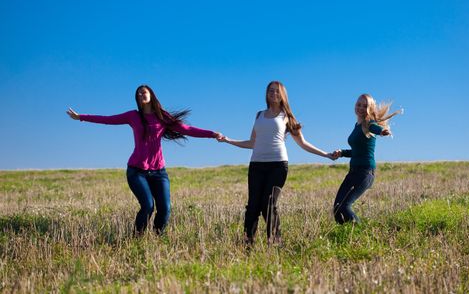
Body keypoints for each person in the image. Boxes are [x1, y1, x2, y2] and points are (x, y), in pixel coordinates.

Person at [66, 85, 222, 235]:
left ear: (151, 94)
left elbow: (187, 129)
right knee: (147, 206)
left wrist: (211, 134)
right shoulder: (133, 116)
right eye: (138, 94)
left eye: (144, 92)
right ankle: (138, 237)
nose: (141, 95)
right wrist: (81, 117)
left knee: (165, 208)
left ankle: (157, 238)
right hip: (136, 171)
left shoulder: (162, 116)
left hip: (159, 172)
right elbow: (108, 119)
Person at [218, 81, 334, 245]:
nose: (274, 94)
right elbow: (252, 143)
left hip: (278, 165)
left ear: (283, 95)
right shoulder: (259, 115)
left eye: (277, 92)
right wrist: (229, 140)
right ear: (266, 94)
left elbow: (303, 143)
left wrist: (326, 155)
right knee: (253, 206)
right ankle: (247, 243)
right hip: (256, 165)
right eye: (271, 91)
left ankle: (275, 242)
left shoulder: (287, 117)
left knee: (268, 204)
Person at [332, 93, 401, 224]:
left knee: (344, 207)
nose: (361, 108)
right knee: (337, 208)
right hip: (353, 172)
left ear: (370, 108)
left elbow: (375, 128)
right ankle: (347, 237)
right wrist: (341, 153)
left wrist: (381, 131)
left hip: (365, 173)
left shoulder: (368, 123)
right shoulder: (357, 126)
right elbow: (358, 151)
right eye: (359, 104)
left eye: (365, 106)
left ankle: (360, 233)